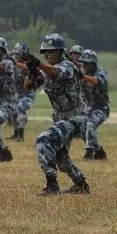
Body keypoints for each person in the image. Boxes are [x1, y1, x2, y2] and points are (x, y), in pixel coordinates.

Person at [24, 33, 90, 196]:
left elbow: (56, 72)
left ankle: (52, 186)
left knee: (44, 140)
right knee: (60, 158)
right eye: (45, 52)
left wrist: (38, 64)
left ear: (60, 52)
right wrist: (31, 70)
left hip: (76, 118)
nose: (47, 54)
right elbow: (28, 86)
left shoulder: (67, 66)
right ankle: (81, 184)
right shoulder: (47, 70)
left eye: (51, 51)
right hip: (61, 118)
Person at [79, 49, 109, 160]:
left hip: (101, 108)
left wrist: (82, 76)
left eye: (87, 63)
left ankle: (89, 152)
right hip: (88, 108)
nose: (84, 65)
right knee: (81, 128)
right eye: (83, 63)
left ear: (93, 64)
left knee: (90, 124)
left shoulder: (100, 72)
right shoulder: (82, 72)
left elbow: (97, 81)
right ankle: (99, 151)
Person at [7, 42, 35, 142]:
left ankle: (21, 135)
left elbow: (27, 68)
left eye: (18, 54)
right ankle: (15, 133)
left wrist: (14, 63)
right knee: (12, 111)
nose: (16, 56)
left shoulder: (29, 62)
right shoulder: (14, 64)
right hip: (17, 95)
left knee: (20, 108)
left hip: (27, 95)